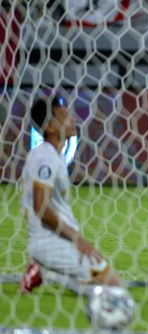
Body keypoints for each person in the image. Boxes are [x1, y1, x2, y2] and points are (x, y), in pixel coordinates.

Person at [19, 96, 122, 294]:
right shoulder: (46, 157)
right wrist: (78, 240)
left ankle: (42, 270)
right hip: (53, 242)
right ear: (49, 127)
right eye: (65, 116)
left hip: (51, 241)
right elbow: (41, 207)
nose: (73, 119)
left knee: (91, 286)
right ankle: (45, 269)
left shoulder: (52, 155)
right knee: (115, 287)